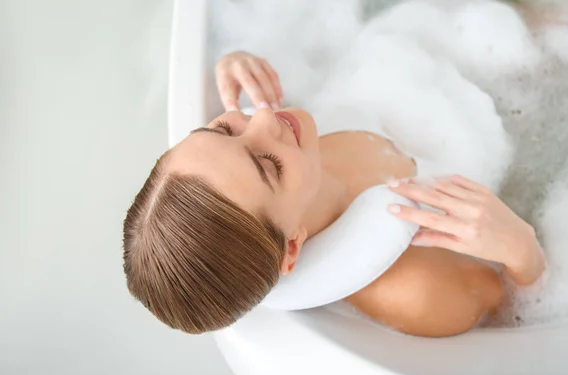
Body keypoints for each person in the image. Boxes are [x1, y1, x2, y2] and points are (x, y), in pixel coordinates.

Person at [122, 51, 545, 338]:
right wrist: (520, 246)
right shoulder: (415, 289)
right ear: (291, 249)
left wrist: (234, 60)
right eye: (268, 166)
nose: (263, 116)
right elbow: (517, 304)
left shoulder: (269, 147)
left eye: (221, 129)